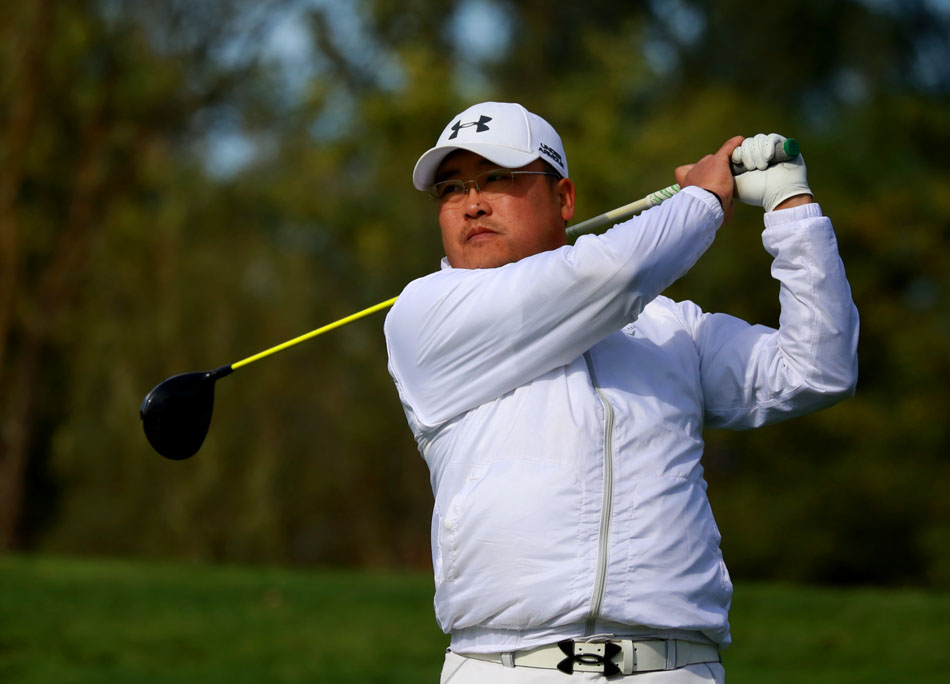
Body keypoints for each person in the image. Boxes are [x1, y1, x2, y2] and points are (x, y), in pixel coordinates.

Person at [383, 102, 859, 683]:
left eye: (497, 178)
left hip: (676, 667)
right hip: (504, 666)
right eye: (452, 189)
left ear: (564, 199)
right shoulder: (425, 312)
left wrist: (792, 208)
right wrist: (702, 200)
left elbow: (818, 368)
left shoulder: (671, 328)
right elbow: (609, 274)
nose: (472, 203)